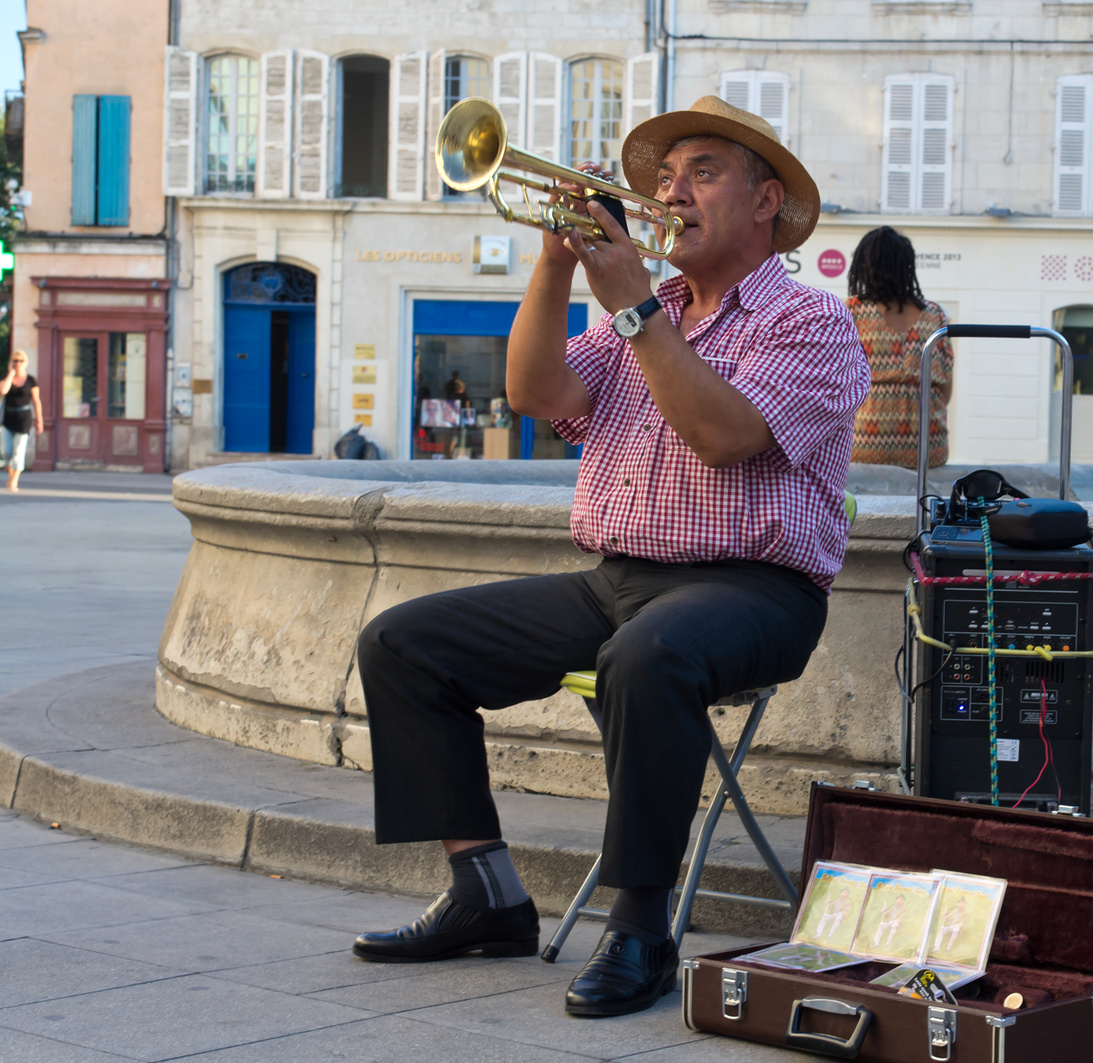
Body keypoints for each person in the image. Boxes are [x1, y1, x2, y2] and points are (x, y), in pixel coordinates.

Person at [350, 96, 868, 1019]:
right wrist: (554, 266)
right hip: (616, 580)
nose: (673, 193)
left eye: (703, 171)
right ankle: (486, 892)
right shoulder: (651, 311)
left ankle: (641, 927)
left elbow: (723, 434)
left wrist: (631, 302)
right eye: (665, 178)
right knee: (402, 642)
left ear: (765, 202)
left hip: (757, 589)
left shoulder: (810, 323)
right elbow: (532, 390)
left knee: (649, 653)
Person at [846, 226, 953, 468]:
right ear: (907, 266)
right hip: (928, 446)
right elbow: (945, 388)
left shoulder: (851, 311)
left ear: (863, 266)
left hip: (863, 443)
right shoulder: (935, 314)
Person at [0, 350, 42, 492]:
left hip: (24, 419)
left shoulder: (31, 380)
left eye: (21, 361)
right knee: (7, 452)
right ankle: (11, 477)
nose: (18, 363)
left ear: (25, 363)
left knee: (19, 452)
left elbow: (36, 401)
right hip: (8, 418)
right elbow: (3, 391)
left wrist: (39, 420)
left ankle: (14, 482)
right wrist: (11, 373)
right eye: (15, 361)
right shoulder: (6, 377)